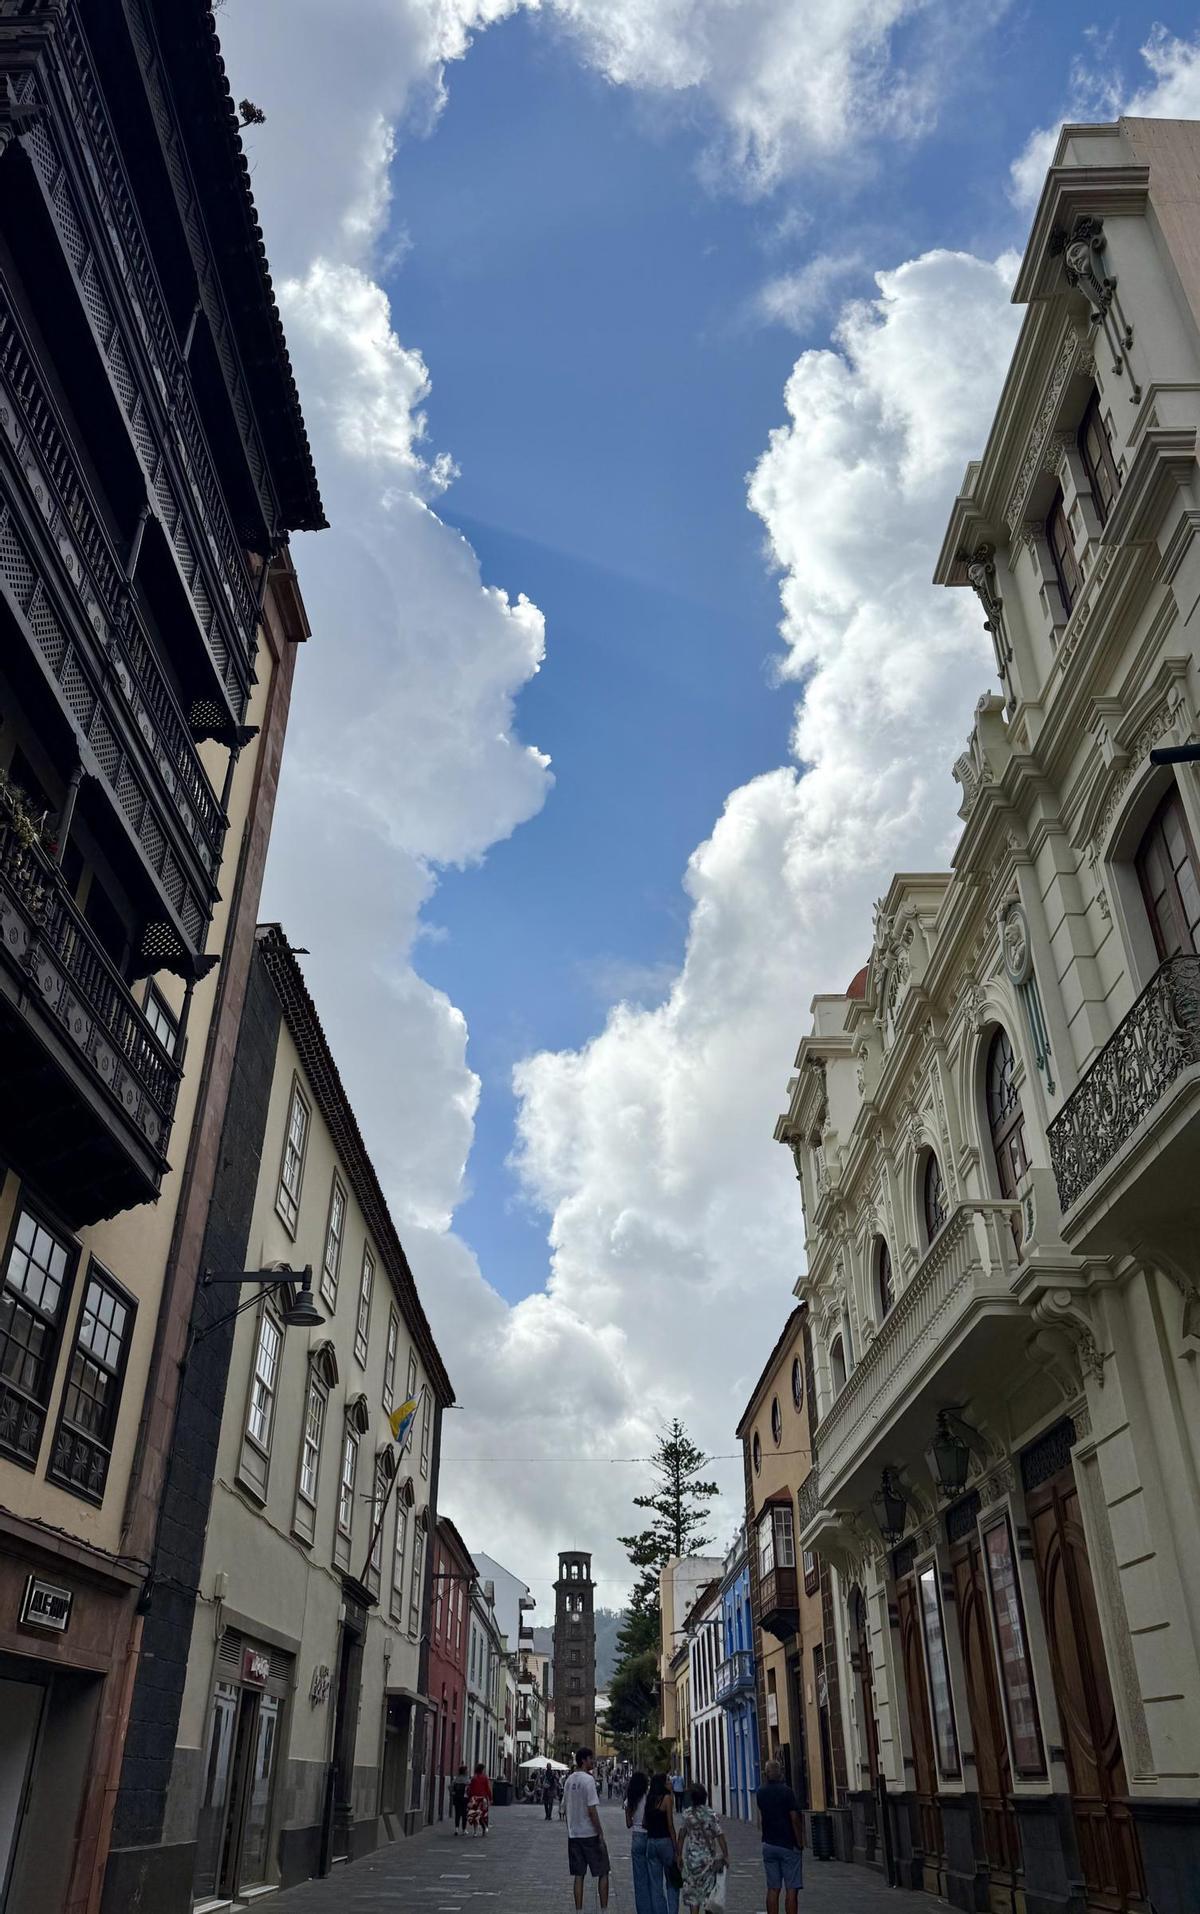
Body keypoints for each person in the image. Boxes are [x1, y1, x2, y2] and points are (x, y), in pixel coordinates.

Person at [564, 1747, 610, 1911]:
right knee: (603, 1871)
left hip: (574, 1834)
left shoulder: (569, 1780)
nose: (593, 1762)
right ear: (584, 1760)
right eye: (591, 1759)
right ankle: (604, 1909)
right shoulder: (588, 1780)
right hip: (589, 1834)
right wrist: (600, 1832)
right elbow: (592, 1810)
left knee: (579, 1875)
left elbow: (564, 1807)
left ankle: (579, 1910)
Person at [757, 1759, 804, 1914]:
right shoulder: (787, 1792)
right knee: (791, 1889)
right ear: (780, 1773)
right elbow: (794, 1818)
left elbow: (762, 1817)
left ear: (766, 1774)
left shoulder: (760, 1792)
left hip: (769, 1843)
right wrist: (799, 1841)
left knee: (773, 1888)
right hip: (787, 1844)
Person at [679, 1783, 728, 1914]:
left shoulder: (687, 1814)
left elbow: (682, 1835)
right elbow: (720, 1835)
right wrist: (725, 1855)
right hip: (708, 1860)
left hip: (691, 1860)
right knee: (708, 1893)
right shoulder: (711, 1814)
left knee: (693, 1895)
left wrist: (678, 1855)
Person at [643, 1772, 680, 1914]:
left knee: (656, 1885)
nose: (671, 1783)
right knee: (672, 1882)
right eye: (668, 1781)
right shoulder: (667, 1799)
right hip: (665, 1842)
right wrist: (676, 1849)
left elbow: (645, 1823)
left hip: (651, 1843)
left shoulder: (650, 1799)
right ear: (663, 1784)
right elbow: (670, 1825)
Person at [625, 1770, 652, 1914]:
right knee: (653, 1877)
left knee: (639, 1879)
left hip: (636, 1837)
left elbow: (628, 1823)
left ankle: (643, 1910)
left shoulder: (631, 1799)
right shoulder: (649, 1797)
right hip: (650, 1837)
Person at [467, 1761, 492, 1837]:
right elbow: (488, 1789)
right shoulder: (485, 1778)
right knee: (482, 1815)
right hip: (482, 1799)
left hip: (474, 1799)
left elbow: (470, 1789)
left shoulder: (473, 1778)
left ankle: (475, 1832)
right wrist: (490, 1798)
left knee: (475, 1815)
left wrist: (470, 1798)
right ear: (482, 1770)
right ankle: (484, 1829)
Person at [451, 1763, 469, 1836]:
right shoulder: (467, 1780)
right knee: (464, 1814)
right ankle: (464, 1829)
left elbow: (451, 1788)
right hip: (464, 1799)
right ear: (465, 1771)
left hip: (456, 1798)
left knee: (457, 1814)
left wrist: (453, 1793)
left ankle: (456, 1829)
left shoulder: (456, 1779)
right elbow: (468, 1789)